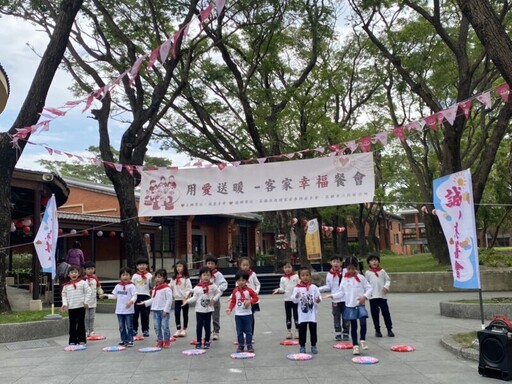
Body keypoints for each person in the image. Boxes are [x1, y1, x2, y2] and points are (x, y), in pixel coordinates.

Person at [324, 256, 372, 355]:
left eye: (353, 268)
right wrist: (332, 295)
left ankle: (362, 340)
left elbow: (369, 288)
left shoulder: (361, 278)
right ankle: (355, 346)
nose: (350, 271)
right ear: (346, 268)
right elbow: (341, 293)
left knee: (363, 323)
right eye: (349, 268)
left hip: (360, 305)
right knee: (353, 326)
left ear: (356, 268)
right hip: (350, 306)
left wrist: (365, 296)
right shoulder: (344, 280)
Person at [183, 266, 222, 349]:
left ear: (211, 276)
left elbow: (219, 293)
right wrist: (187, 301)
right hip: (199, 310)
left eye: (208, 275)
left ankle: (207, 340)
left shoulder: (213, 286)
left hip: (208, 310)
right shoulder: (197, 287)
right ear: (200, 276)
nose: (206, 277)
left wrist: (214, 299)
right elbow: (194, 298)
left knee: (207, 326)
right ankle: (199, 341)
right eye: (204, 275)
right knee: (199, 326)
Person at [100, 267, 138, 347]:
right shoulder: (118, 286)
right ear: (120, 276)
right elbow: (114, 296)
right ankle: (124, 340)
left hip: (129, 311)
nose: (125, 277)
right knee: (121, 327)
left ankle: (130, 340)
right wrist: (106, 295)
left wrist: (131, 302)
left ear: (130, 276)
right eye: (123, 275)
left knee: (129, 326)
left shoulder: (132, 286)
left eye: (127, 275)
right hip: (119, 311)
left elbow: (135, 296)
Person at [138, 269, 173, 348]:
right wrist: (144, 303)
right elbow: (153, 299)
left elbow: (169, 300)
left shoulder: (167, 288)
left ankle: (167, 340)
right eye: (156, 277)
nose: (157, 279)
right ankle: (160, 340)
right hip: (155, 311)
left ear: (164, 278)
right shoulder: (155, 289)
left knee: (165, 326)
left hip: (163, 311)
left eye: (159, 277)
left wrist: (166, 310)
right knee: (157, 327)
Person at [318, 254, 350, 341]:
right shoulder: (329, 274)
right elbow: (328, 286)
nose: (336, 263)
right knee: (336, 316)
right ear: (331, 263)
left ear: (341, 263)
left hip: (345, 299)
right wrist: (317, 289)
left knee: (346, 316)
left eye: (338, 262)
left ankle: (346, 332)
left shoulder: (345, 272)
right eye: (334, 261)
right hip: (335, 299)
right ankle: (338, 333)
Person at [226, 270, 259, 353]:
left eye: (243, 280)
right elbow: (233, 301)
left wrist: (250, 301)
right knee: (239, 331)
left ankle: (249, 345)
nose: (241, 282)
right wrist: (230, 308)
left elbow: (256, 298)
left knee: (248, 331)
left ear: (246, 281)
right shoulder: (235, 291)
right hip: (238, 315)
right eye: (239, 280)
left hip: (247, 314)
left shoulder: (249, 290)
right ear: (236, 281)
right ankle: (240, 345)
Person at [291, 267, 322, 354]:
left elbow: (318, 296)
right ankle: (302, 346)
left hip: (312, 314)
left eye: (307, 275)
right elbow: (293, 299)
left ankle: (313, 345)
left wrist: (318, 300)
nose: (305, 277)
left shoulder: (314, 287)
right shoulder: (297, 288)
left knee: (313, 330)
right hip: (302, 314)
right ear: (300, 277)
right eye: (303, 275)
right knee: (302, 331)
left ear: (310, 276)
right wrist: (296, 297)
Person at [365, 253, 395, 338]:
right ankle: (377, 330)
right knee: (375, 314)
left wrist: (386, 286)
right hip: (373, 297)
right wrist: (366, 294)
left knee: (386, 313)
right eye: (372, 260)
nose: (374, 262)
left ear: (378, 261)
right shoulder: (367, 273)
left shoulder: (382, 271)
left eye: (376, 260)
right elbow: (365, 284)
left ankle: (389, 329)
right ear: (369, 262)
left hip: (382, 296)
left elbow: (388, 280)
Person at [60, 265, 92, 345]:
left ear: (78, 274)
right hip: (71, 307)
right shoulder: (66, 286)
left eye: (75, 272)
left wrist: (86, 302)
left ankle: (81, 339)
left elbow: (89, 292)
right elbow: (64, 295)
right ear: (68, 274)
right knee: (72, 324)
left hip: (81, 306)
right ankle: (72, 340)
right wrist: (65, 304)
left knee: (81, 323)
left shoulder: (83, 283)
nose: (74, 274)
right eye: (72, 272)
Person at [272, 261, 300, 339]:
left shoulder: (296, 276)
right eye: (285, 268)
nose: (287, 269)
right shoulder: (283, 278)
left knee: (296, 315)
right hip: (287, 299)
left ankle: (297, 331)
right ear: (283, 269)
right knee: (288, 316)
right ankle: (289, 331)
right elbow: (282, 288)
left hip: (295, 300)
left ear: (292, 268)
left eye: (289, 267)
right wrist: (278, 290)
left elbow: (300, 286)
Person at [205, 253, 227, 340]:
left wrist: (217, 290)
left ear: (215, 265)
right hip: (206, 298)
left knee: (215, 316)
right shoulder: (204, 273)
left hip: (215, 299)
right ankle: (207, 332)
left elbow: (224, 284)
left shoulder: (218, 274)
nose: (210, 265)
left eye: (212, 263)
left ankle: (216, 331)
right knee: (205, 316)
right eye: (208, 263)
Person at [238, 257, 261, 336]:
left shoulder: (253, 274)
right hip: (242, 299)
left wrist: (256, 292)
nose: (245, 267)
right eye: (243, 265)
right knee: (242, 316)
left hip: (252, 298)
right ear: (240, 266)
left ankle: (250, 334)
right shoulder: (239, 275)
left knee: (250, 316)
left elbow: (257, 284)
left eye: (247, 265)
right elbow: (236, 286)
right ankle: (243, 333)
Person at [170, 260, 192, 337]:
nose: (178, 268)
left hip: (184, 299)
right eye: (177, 267)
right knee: (177, 314)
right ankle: (178, 329)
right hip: (177, 299)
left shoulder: (186, 278)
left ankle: (184, 329)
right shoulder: (173, 278)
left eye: (180, 266)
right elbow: (170, 286)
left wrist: (186, 297)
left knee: (185, 314)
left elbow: (189, 289)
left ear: (184, 267)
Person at [132, 258, 153, 337]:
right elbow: (132, 286)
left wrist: (153, 280)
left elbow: (152, 286)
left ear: (147, 266)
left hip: (146, 296)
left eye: (144, 265)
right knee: (135, 314)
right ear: (137, 266)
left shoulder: (149, 275)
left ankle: (145, 330)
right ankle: (134, 329)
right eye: (140, 265)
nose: (142, 266)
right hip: (136, 297)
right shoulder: (135, 276)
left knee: (145, 315)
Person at [83, 261, 102, 336]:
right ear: (85, 270)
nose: (90, 270)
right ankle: (85, 330)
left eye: (92, 268)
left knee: (92, 317)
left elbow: (98, 287)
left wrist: (100, 293)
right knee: (86, 317)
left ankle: (91, 331)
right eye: (88, 269)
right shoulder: (83, 280)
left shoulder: (95, 278)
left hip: (93, 301)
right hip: (85, 302)